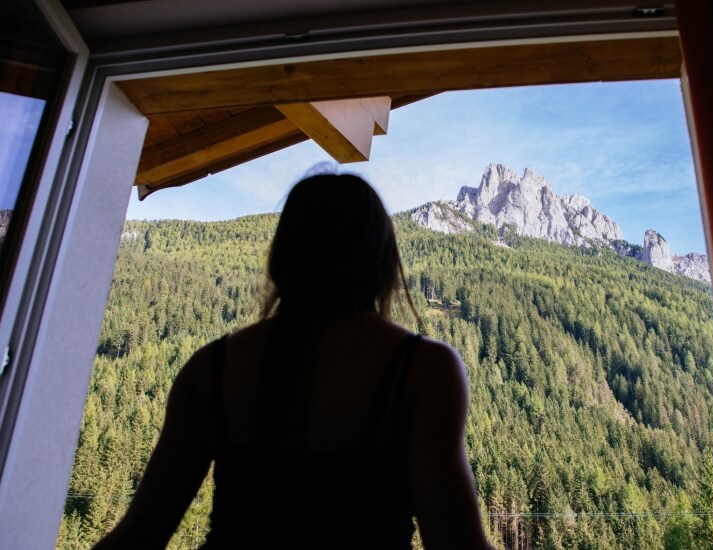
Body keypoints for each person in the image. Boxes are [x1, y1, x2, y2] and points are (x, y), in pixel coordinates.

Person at [93, 171, 496, 549]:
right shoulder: (425, 369)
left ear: (282, 258)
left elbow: (138, 536)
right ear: (384, 265)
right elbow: (457, 543)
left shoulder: (212, 367)